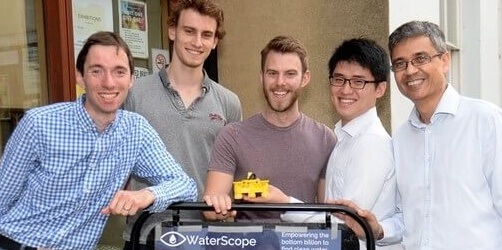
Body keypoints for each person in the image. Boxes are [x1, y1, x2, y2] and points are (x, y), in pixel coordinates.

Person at [0, 31, 197, 250]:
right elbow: (2, 195)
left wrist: (146, 195)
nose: (109, 82)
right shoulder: (38, 124)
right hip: (15, 242)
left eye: (119, 72)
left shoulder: (135, 130)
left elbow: (185, 185)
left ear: (131, 79)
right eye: (96, 71)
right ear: (80, 76)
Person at [336, 21, 502, 249]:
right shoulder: (401, 139)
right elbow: (408, 218)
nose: (411, 70)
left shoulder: (485, 120)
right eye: (400, 64)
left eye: (420, 58)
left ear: (444, 61)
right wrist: (378, 229)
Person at [122, 0, 242, 248]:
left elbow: (234, 173)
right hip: (144, 234)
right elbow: (116, 164)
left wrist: (227, 205)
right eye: (189, 31)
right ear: (172, 31)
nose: (197, 42)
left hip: (206, 237)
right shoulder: (135, 94)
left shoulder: (229, 103)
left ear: (215, 41)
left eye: (206, 34)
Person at [203, 35, 337, 222]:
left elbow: (328, 214)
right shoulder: (232, 136)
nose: (280, 82)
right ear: (261, 77)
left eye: (290, 74)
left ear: (305, 78)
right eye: (272, 73)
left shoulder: (326, 139)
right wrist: (218, 205)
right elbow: (209, 208)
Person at [324, 38, 401, 250]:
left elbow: (346, 223)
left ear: (380, 89)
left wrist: (283, 203)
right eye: (339, 79)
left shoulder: (371, 144)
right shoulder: (341, 136)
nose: (346, 90)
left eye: (359, 82)